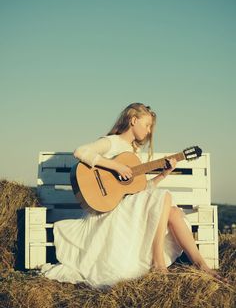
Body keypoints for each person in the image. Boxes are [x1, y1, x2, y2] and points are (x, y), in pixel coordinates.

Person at [40, 103, 228, 288]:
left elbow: (139, 189)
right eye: (146, 125)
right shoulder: (111, 142)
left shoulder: (133, 152)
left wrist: (164, 174)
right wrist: (116, 166)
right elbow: (80, 151)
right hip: (107, 212)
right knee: (165, 196)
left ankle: (201, 264)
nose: (148, 131)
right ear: (133, 120)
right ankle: (157, 261)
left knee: (174, 213)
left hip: (126, 209)